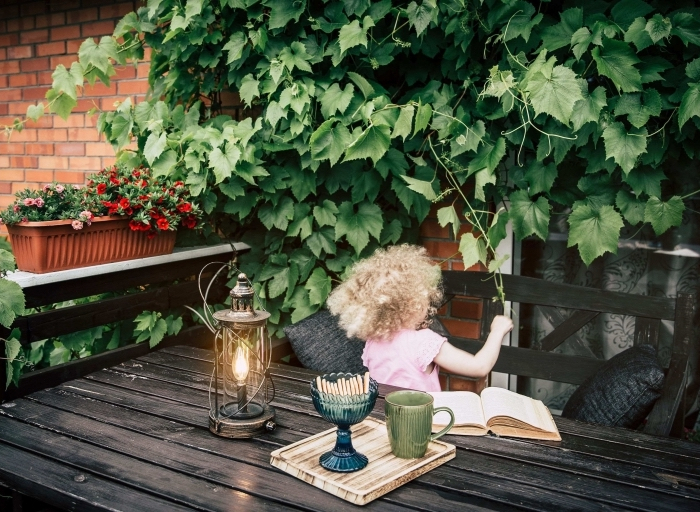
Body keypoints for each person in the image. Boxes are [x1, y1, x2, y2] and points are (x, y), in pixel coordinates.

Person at [326, 244, 513, 392]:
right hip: (422, 427)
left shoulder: (373, 343)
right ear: (412, 303)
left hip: (384, 422)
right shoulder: (422, 342)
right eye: (424, 297)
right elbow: (479, 367)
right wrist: (497, 330)